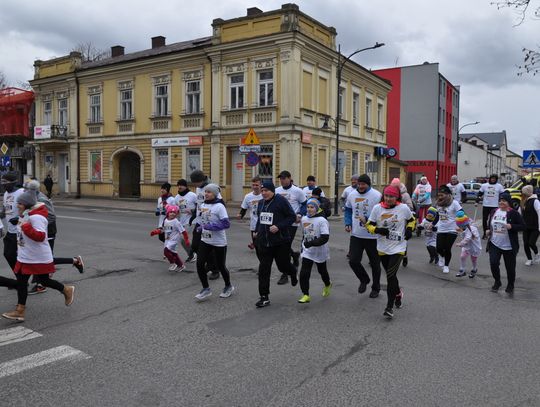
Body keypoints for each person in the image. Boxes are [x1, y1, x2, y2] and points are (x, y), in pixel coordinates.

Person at [2, 191, 75, 322]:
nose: (17, 205)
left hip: (37, 257)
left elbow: (40, 236)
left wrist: (24, 226)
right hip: (26, 256)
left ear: (26, 204)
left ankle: (66, 289)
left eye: (19, 203)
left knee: (43, 281)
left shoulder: (37, 218)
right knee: (22, 282)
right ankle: (20, 311)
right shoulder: (26, 215)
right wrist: (18, 221)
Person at [24, 179, 84, 295]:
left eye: (26, 190)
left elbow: (51, 216)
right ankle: (74, 261)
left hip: (48, 231)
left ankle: (41, 284)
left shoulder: (41, 199)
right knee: (41, 258)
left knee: (45, 259)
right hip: (39, 232)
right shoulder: (32, 199)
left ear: (32, 190)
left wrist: (39, 225)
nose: (25, 192)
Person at [366, 185, 415, 319]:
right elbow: (369, 224)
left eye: (392, 196)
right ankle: (398, 293)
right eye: (387, 196)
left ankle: (389, 307)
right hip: (383, 248)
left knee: (389, 275)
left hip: (398, 247)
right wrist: (377, 230)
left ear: (397, 197)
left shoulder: (403, 208)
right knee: (391, 276)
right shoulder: (377, 208)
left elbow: (412, 220)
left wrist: (410, 230)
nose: (389, 199)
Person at [254, 181, 298, 308]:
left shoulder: (281, 201)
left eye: (266, 190)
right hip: (264, 243)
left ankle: (293, 271)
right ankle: (264, 297)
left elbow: (291, 217)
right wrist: (257, 231)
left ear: (273, 191)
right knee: (263, 270)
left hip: (280, 242)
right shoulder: (261, 203)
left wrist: (278, 226)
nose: (263, 193)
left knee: (282, 266)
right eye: (262, 191)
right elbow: (260, 219)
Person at [194, 184, 234, 301]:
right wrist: (200, 227)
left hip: (218, 241)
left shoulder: (219, 206)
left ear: (215, 194)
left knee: (221, 266)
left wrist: (210, 226)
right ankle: (206, 288)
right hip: (205, 240)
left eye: (209, 192)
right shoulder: (203, 205)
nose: (206, 194)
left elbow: (226, 224)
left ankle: (228, 286)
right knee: (199, 263)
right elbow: (203, 220)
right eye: (205, 192)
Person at [344, 174, 382, 298]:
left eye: (363, 184)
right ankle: (364, 279)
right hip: (356, 234)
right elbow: (348, 209)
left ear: (368, 184)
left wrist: (368, 219)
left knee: (375, 264)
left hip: (372, 236)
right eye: (359, 184)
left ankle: (376, 288)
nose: (360, 186)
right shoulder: (352, 194)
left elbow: (381, 214)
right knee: (353, 261)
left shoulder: (376, 195)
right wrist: (348, 223)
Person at [486, 193, 525, 293]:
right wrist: (488, 230)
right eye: (500, 200)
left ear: (509, 203)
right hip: (495, 243)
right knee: (493, 263)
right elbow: (490, 223)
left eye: (504, 201)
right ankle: (497, 281)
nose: (501, 202)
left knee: (510, 268)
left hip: (509, 246)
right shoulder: (494, 211)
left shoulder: (514, 213)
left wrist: (511, 226)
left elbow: (523, 226)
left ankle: (510, 284)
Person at [297, 198, 332, 303]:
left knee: (322, 271)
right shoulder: (304, 219)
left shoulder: (322, 220)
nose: (309, 209)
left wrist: (311, 243)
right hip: (308, 250)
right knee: (304, 273)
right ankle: (305, 294)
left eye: (312, 207)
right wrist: (303, 246)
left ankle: (327, 284)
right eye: (308, 207)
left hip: (320, 250)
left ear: (317, 208)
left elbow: (325, 238)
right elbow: (305, 234)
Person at [275, 170, 306, 284]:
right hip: (280, 222)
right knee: (282, 244)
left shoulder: (298, 191)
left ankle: (285, 274)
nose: (282, 180)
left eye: (284, 178)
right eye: (280, 178)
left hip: (292, 222)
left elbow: (304, 204)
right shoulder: (277, 191)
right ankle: (294, 255)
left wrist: (299, 214)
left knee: (285, 245)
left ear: (289, 178)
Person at [189, 170, 220, 279]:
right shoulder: (198, 188)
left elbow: (220, 203)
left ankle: (215, 269)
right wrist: (193, 215)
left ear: (201, 180)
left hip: (209, 222)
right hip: (199, 221)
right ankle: (210, 264)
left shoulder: (212, 188)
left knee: (209, 246)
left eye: (195, 182)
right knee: (195, 245)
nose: (194, 185)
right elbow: (199, 204)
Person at [151, 204, 189, 272]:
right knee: (174, 253)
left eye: (174, 213)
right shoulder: (166, 221)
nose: (172, 214)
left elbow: (183, 231)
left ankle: (173, 263)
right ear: (168, 213)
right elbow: (163, 229)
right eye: (171, 212)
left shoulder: (176, 222)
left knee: (166, 251)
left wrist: (186, 240)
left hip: (174, 240)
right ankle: (181, 265)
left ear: (176, 214)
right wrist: (155, 232)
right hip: (167, 240)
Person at [434, 185, 462, 274]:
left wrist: (461, 224)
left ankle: (446, 265)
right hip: (441, 229)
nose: (440, 197)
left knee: (447, 248)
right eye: (439, 195)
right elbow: (438, 215)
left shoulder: (454, 203)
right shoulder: (438, 203)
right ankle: (441, 257)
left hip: (452, 229)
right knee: (438, 248)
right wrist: (432, 224)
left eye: (442, 195)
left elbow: (461, 213)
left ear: (448, 194)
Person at [1, 172, 24, 270]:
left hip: (21, 231)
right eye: (1, 181)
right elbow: (5, 210)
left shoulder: (21, 192)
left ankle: (22, 279)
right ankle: (20, 277)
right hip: (11, 231)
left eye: (5, 182)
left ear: (13, 182)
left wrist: (19, 218)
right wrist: (2, 213)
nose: (2, 184)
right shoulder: (6, 194)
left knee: (25, 257)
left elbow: (31, 208)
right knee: (8, 254)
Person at [238, 177, 263, 256]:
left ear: (261, 185)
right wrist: (240, 215)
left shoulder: (264, 194)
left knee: (265, 246)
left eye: (257, 185)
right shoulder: (248, 196)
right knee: (258, 247)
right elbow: (244, 208)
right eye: (253, 185)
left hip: (265, 223)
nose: (255, 187)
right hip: (254, 225)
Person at [174, 179, 197, 258]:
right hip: (181, 221)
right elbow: (175, 209)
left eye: (181, 185)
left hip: (191, 221)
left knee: (183, 238)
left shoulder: (192, 195)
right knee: (182, 240)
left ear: (185, 186)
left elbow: (201, 206)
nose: (179, 187)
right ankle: (192, 254)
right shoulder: (177, 197)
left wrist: (192, 210)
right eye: (178, 185)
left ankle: (192, 255)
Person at [477, 174, 505, 239]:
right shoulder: (484, 185)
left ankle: (490, 233)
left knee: (492, 220)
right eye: (492, 178)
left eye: (494, 179)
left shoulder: (499, 186)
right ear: (490, 179)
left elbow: (502, 195)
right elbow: (480, 194)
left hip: (495, 205)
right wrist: (477, 200)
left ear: (496, 179)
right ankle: (485, 233)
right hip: (486, 205)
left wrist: (502, 202)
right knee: (484, 220)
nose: (493, 180)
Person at [455, 212, 482, 278]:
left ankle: (474, 269)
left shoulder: (472, 228)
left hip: (473, 246)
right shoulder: (463, 227)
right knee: (462, 256)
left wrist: (460, 244)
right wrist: (460, 231)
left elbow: (467, 238)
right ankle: (462, 269)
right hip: (467, 246)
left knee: (473, 259)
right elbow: (463, 235)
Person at [520, 185, 540, 266]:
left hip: (535, 227)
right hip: (526, 226)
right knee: (525, 244)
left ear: (527, 193)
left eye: (523, 193)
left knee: (531, 243)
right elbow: (519, 213)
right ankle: (529, 259)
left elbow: (539, 213)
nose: (522, 194)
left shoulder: (535, 201)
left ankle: (537, 254)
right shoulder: (524, 201)